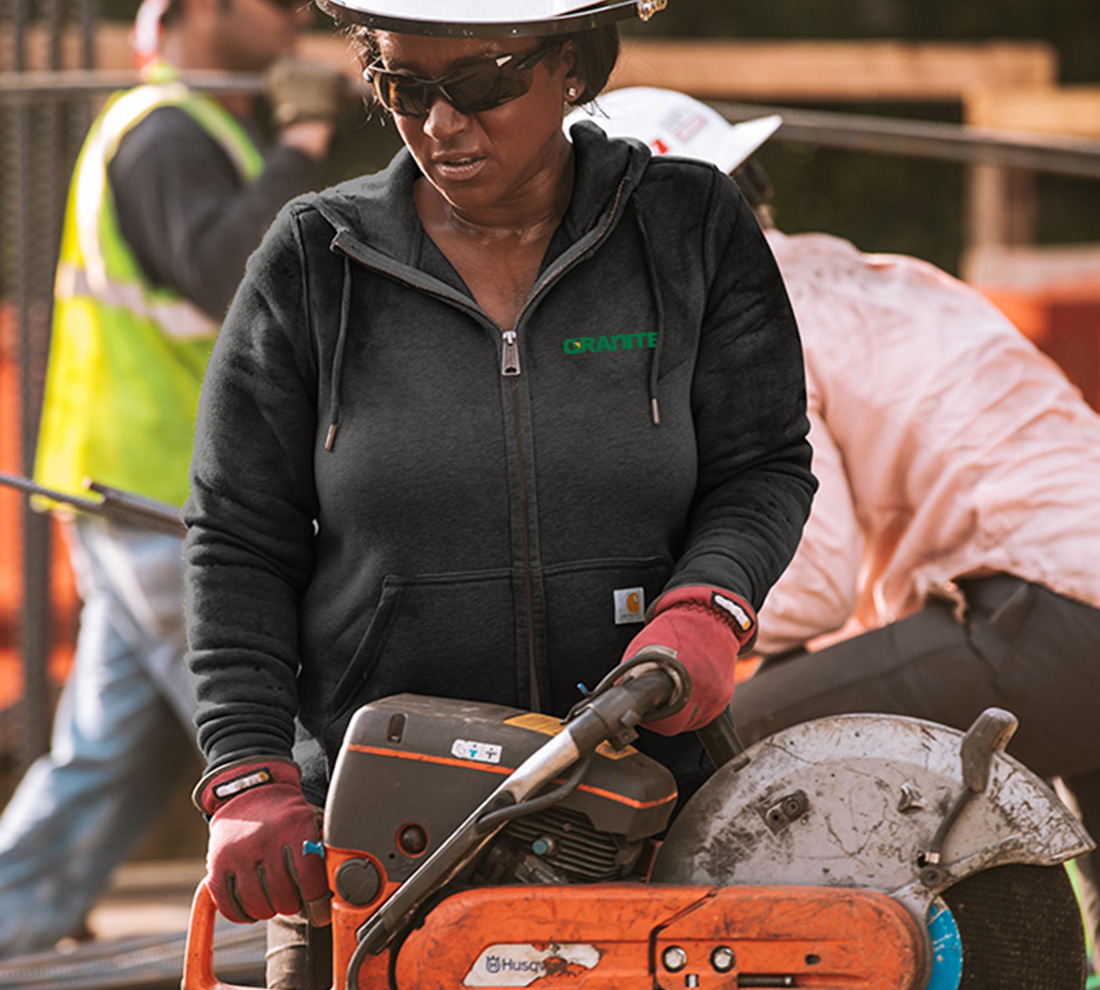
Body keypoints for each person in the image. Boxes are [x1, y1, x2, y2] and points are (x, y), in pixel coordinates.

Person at [182, 3, 816, 985]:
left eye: (479, 85)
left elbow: (761, 463)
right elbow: (235, 540)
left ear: (570, 66)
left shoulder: (687, 228)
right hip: (368, 847)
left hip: (636, 821)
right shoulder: (314, 260)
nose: (440, 122)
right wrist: (248, 774)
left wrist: (709, 602)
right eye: (403, 87)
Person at [574, 85, 1100, 966]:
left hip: (1049, 614)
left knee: (730, 767)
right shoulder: (865, 273)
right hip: (1068, 598)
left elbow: (812, 584)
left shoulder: (757, 319)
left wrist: (650, 643)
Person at [0, 0, 345, 958]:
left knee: (105, 761)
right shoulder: (163, 135)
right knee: (278, 731)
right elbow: (229, 275)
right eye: (270, 2)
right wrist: (306, 136)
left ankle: (8, 927)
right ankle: (340, 936)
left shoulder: (190, 130)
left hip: (140, 487)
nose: (291, 16)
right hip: (161, 499)